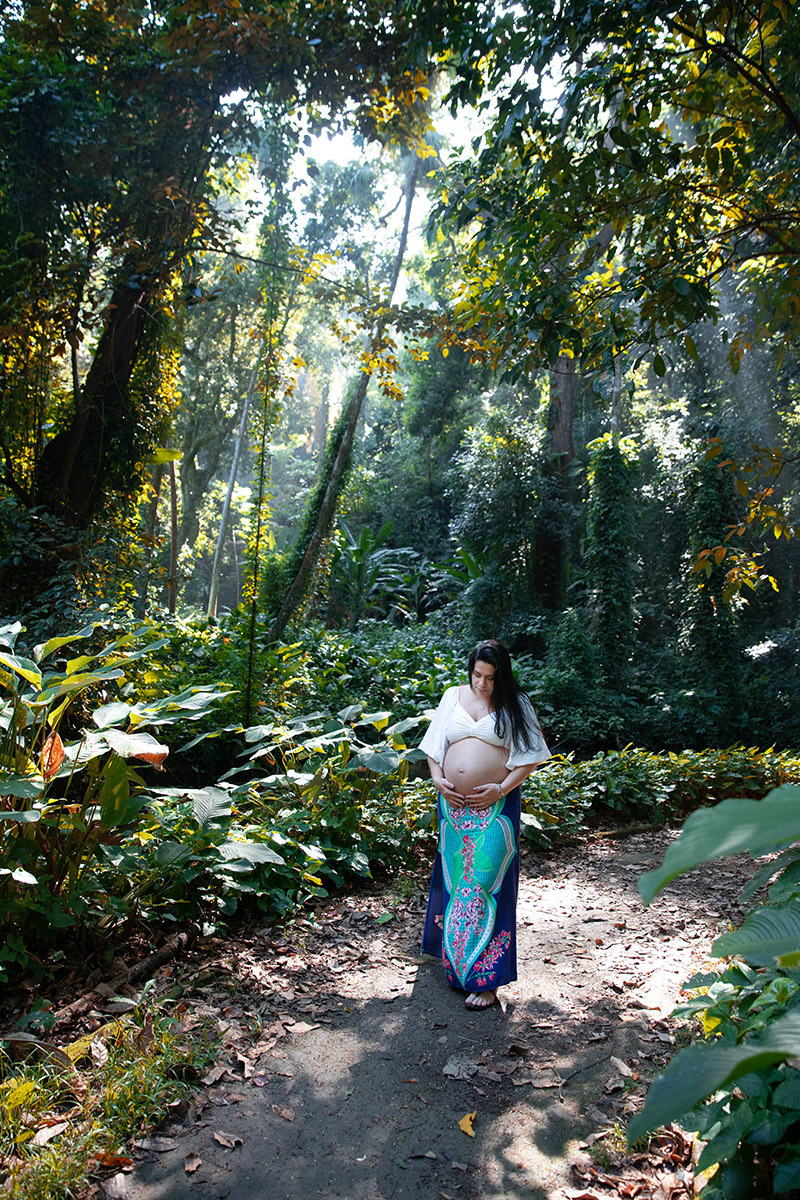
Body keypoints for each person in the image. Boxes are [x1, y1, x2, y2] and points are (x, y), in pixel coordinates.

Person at [419, 640, 551, 1010]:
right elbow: (434, 747)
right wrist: (437, 779)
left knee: (487, 885)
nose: (482, 684)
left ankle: (488, 981)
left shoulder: (516, 703)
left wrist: (500, 789)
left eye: (490, 678)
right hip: (453, 809)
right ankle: (457, 967)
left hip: (495, 809)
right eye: (477, 675)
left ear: (501, 676)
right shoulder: (453, 696)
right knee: (457, 884)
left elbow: (531, 757)